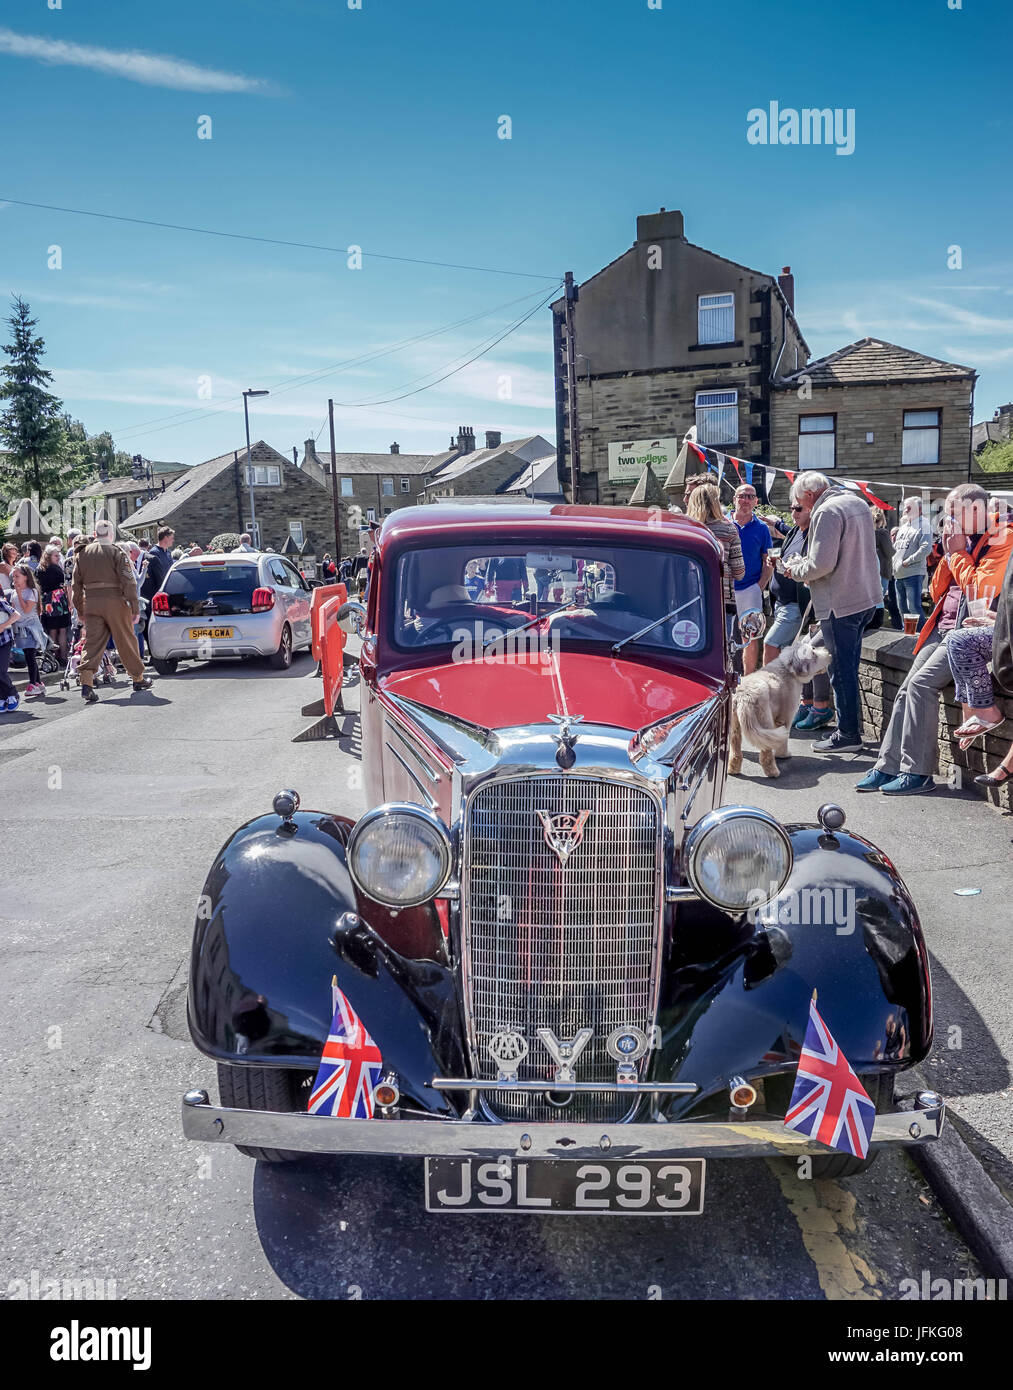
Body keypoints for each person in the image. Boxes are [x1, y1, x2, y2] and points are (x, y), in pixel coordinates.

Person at [856, 483, 1013, 795]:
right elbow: (937, 588)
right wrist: (952, 552)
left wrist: (956, 554)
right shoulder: (966, 540)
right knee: (904, 689)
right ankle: (887, 766)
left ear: (976, 510)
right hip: (945, 624)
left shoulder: (1003, 535)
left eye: (954, 512)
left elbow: (981, 590)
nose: (948, 520)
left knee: (921, 684)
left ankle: (917, 773)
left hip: (972, 632)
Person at [781, 471, 881, 755]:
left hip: (841, 603)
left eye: (800, 502)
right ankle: (850, 729)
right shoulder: (857, 502)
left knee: (841, 671)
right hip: (866, 598)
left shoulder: (825, 512)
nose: (801, 507)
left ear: (810, 495)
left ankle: (848, 734)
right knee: (846, 667)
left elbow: (820, 566)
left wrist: (793, 570)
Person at [71, 519, 151, 701]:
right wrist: (134, 606)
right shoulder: (117, 552)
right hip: (116, 601)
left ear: (95, 534)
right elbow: (129, 581)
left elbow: (76, 585)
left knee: (92, 643)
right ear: (111, 534)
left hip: (91, 602)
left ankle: (86, 682)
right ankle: (137, 678)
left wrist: (80, 609)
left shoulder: (82, 554)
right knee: (126, 639)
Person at [685, 483, 744, 639]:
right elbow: (739, 573)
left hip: (689, 600)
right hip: (722, 599)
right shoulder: (729, 530)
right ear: (716, 503)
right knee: (722, 647)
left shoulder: (686, 530)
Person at [730, 482, 773, 674]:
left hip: (750, 588)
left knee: (751, 635)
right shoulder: (723, 523)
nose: (745, 500)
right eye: (742, 495)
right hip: (725, 588)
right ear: (734, 499)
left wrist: (760, 585)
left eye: (750, 496)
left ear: (756, 501)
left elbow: (768, 559)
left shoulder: (762, 528)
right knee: (722, 634)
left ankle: (748, 679)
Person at [891, 496, 932, 632]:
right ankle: (907, 635)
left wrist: (908, 561)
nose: (905, 510)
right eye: (905, 507)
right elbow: (896, 549)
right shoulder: (903, 527)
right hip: (899, 574)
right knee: (902, 608)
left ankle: (920, 637)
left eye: (909, 507)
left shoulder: (924, 525)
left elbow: (926, 548)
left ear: (919, 509)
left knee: (913, 607)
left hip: (913, 573)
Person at [7, 562, 47, 697]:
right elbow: (13, 609)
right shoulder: (13, 592)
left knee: (30, 655)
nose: (14, 579)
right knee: (29, 655)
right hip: (20, 628)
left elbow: (26, 609)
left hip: (31, 627)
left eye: (17, 576)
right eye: (13, 577)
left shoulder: (32, 591)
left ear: (25, 577)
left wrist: (19, 594)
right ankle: (38, 683)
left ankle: (32, 684)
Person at [36, 543, 72, 664]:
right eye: (56, 556)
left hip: (47, 602)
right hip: (59, 600)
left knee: (51, 630)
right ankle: (63, 657)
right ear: (49, 556)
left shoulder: (39, 569)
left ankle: (52, 658)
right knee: (62, 630)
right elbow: (64, 585)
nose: (58, 558)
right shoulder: (56, 569)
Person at [872, 504, 903, 630]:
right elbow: (890, 552)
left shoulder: (866, 533)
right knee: (879, 597)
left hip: (869, 570)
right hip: (883, 570)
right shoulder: (883, 533)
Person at [0, 587, 21, 712]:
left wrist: (2, 626)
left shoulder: (1, 602)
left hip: (4, 642)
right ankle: (2, 697)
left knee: (1, 671)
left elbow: (16, 615)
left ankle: (13, 694)